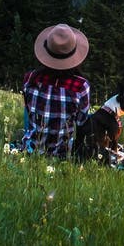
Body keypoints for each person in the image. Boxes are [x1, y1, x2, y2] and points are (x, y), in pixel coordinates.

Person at [22, 23, 90, 158]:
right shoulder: (81, 86)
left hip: (31, 151)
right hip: (61, 154)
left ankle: (31, 138)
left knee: (28, 108)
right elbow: (81, 122)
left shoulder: (30, 78)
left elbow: (29, 110)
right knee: (87, 116)